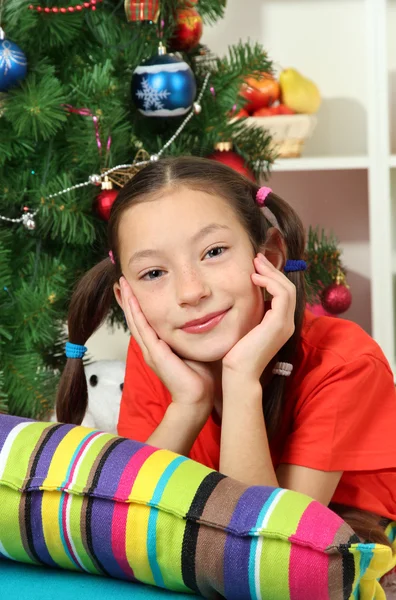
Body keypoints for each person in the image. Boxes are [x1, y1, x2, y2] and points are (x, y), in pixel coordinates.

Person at [56, 156, 396, 552]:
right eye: (153, 273)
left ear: (268, 256)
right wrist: (188, 403)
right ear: (126, 297)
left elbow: (266, 549)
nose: (191, 292)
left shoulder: (343, 360)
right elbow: (123, 526)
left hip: (346, 540)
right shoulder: (158, 355)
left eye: (214, 251)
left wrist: (239, 380)